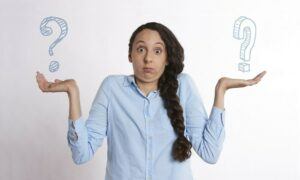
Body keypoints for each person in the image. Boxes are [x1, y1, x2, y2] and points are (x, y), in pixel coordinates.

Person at [36, 22, 266, 180]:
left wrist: (221, 91)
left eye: (157, 51)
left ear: (167, 58)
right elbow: (81, 154)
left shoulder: (183, 85)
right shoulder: (112, 88)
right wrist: (72, 93)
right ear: (130, 55)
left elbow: (210, 153)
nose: (148, 58)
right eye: (140, 49)